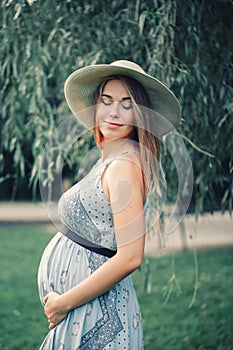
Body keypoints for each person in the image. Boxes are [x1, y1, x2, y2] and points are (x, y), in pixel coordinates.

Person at [37, 60, 181, 349]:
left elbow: (130, 257)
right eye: (107, 101)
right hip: (86, 310)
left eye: (127, 104)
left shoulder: (125, 167)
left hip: (98, 314)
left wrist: (64, 303)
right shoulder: (111, 159)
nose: (114, 112)